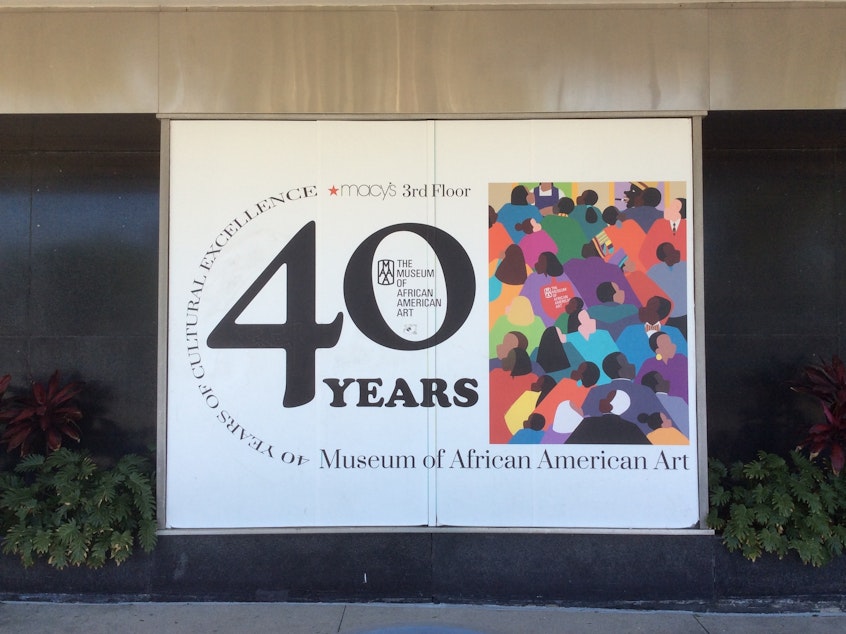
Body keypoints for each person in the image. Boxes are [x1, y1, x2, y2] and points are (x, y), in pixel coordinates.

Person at [566, 389, 650, 444]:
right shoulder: (632, 427)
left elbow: (568, 448)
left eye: (607, 398)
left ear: (611, 406)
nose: (602, 400)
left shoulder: (588, 423)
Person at [637, 331, 688, 402]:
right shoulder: (649, 364)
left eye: (671, 342)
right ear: (658, 350)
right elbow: (639, 387)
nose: (673, 345)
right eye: (667, 344)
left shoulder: (681, 358)